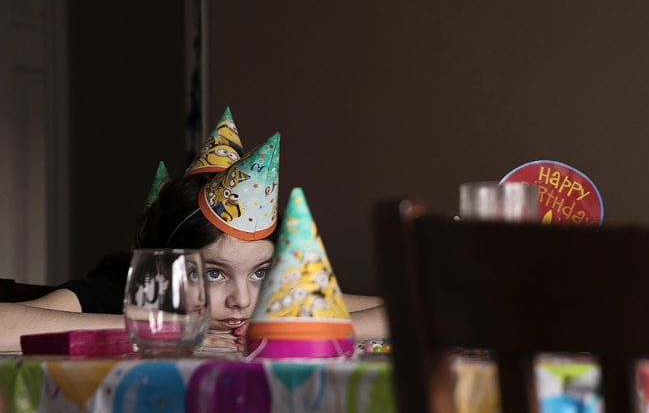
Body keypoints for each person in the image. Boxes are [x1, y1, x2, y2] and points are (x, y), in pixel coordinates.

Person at [0, 123, 387, 353]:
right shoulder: (131, 287)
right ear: (163, 268)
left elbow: (408, 315)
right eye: (214, 273)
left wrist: (305, 325)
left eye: (259, 272)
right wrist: (172, 333)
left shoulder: (271, 297)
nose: (242, 300)